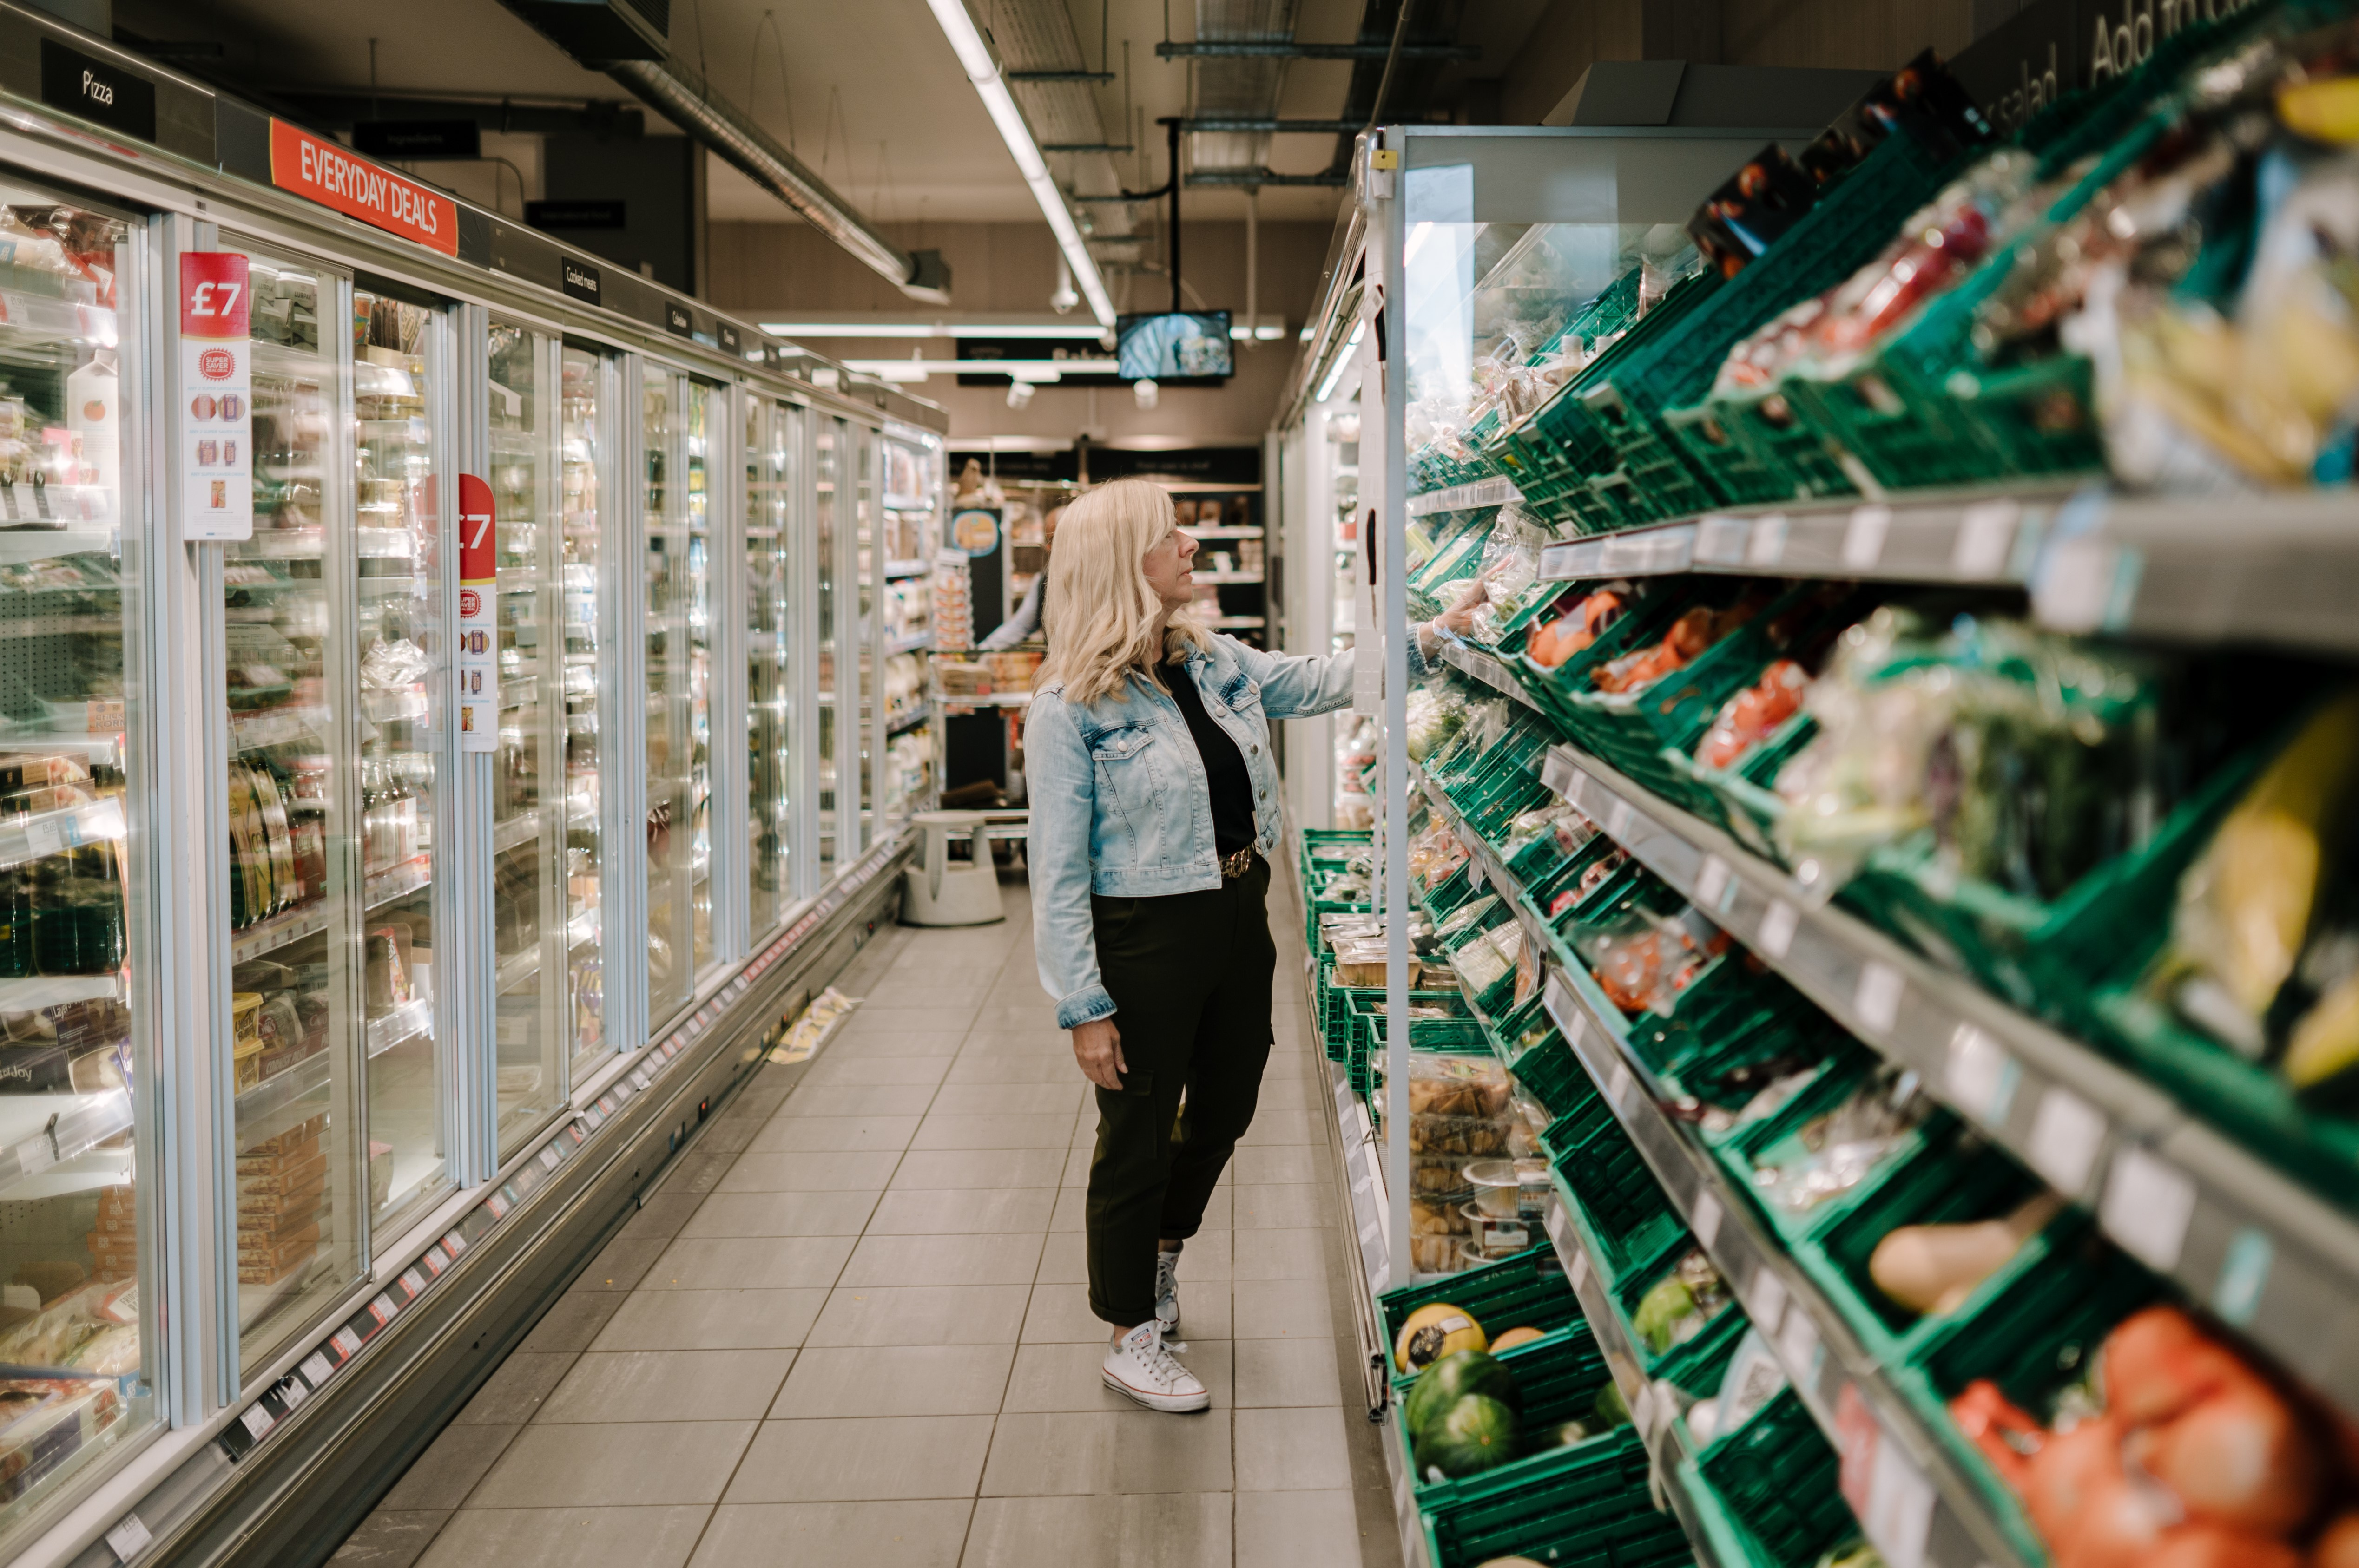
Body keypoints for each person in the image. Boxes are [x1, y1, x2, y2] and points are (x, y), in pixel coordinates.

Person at [1024, 477, 1471, 1412]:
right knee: (1135, 1132)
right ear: (1126, 565)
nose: (1191, 547)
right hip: (1145, 930)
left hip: (1238, 909)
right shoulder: (1071, 706)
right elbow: (1058, 870)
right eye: (1172, 536)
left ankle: (1160, 1250)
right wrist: (1084, 1006)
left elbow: (1313, 679)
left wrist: (1430, 640)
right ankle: (1129, 1331)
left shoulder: (1209, 658)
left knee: (1229, 1100)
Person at [978, 504, 1061, 651]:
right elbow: (1021, 625)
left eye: (1054, 540)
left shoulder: (1098, 577)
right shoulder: (1044, 581)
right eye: (1048, 542)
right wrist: (983, 650)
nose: (1049, 548)